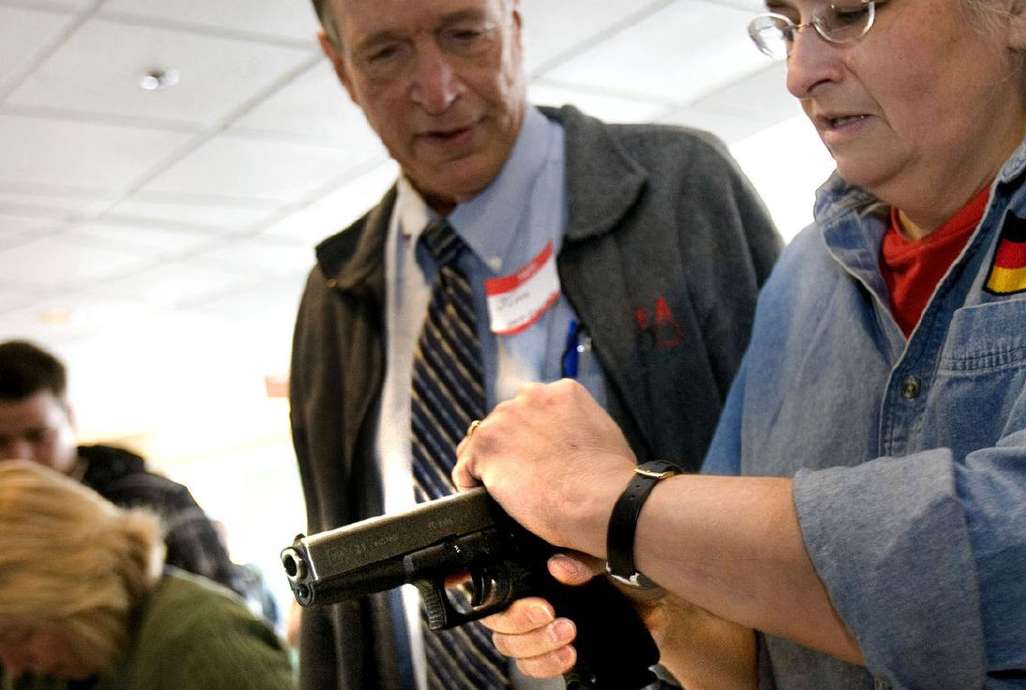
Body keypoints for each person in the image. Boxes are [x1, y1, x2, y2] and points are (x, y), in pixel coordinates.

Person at [452, 0, 1026, 687]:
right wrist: (649, 598)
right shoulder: (803, 275)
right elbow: (745, 651)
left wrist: (608, 502)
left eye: (849, 12)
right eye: (788, 24)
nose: (799, 71)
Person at [290, 0, 781, 688]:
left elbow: (795, 490)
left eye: (465, 34)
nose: (438, 89)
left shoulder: (679, 191)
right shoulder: (334, 293)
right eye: (386, 54)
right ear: (341, 68)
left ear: (513, 24)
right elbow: (339, 608)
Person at [0, 460, 296, 690]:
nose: (13, 665)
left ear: (72, 591)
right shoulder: (56, 668)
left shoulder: (202, 640)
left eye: (21, 636)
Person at [0, 340, 241, 595]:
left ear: (69, 418)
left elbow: (222, 608)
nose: (19, 457)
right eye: (0, 441)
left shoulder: (154, 500)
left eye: (38, 436)